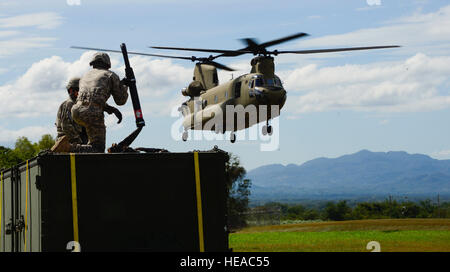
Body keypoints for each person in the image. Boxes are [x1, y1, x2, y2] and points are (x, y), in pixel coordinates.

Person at [51, 52, 128, 153]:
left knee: (91, 145)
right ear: (108, 64)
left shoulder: (85, 76)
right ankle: (68, 147)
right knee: (98, 148)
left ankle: (77, 148)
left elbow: (90, 98)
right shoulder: (110, 75)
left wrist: (110, 108)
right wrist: (125, 85)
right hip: (92, 113)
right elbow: (121, 100)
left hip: (76, 111)